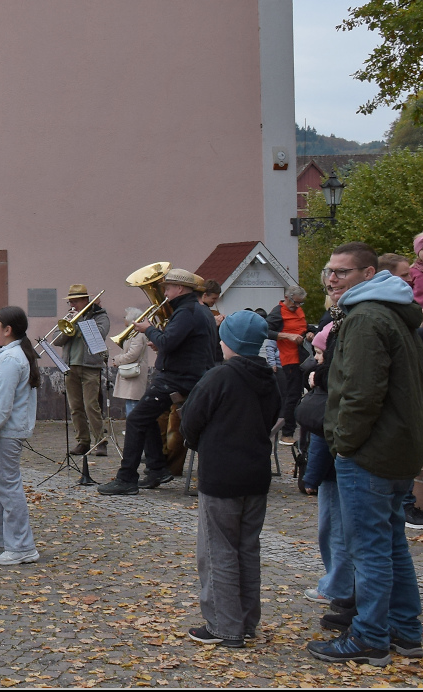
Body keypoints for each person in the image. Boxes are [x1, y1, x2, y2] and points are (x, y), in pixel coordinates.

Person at [308, 242, 423, 667]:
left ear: (367, 274)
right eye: (329, 271)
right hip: (399, 447)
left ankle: (370, 638)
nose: (331, 279)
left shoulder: (365, 318)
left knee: (371, 548)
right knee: (392, 541)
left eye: (342, 272)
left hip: (372, 451)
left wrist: (343, 444)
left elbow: (360, 395)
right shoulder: (393, 311)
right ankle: (404, 631)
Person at [180, 310, 282, 649]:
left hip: (222, 475)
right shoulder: (269, 377)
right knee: (246, 549)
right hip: (255, 473)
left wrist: (202, 443)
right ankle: (246, 621)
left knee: (217, 551)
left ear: (232, 342)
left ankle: (225, 626)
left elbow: (191, 421)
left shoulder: (219, 377)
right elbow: (270, 419)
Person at [99, 267, 219, 496]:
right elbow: (178, 342)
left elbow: (169, 342)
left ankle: (127, 478)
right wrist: (160, 340)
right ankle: (156, 469)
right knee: (146, 418)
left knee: (136, 419)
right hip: (187, 374)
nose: (164, 292)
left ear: (180, 288)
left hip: (177, 378)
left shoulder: (186, 312)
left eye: (168, 288)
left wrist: (150, 331)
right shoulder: (198, 310)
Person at [299, 290, 355, 613]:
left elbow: (322, 433)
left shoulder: (325, 381)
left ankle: (337, 585)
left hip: (335, 463)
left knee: (334, 526)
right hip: (339, 458)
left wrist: (310, 475)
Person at [0, 305, 40, 565]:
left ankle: (22, 546)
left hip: (5, 433)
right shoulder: (8, 355)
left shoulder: (11, 360)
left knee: (8, 489)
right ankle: (4, 541)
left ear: (7, 329)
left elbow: (1, 403)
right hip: (3, 432)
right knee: (0, 489)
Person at [56, 285, 110, 457]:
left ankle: (100, 441)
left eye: (76, 301)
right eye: (71, 301)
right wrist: (69, 326)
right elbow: (57, 340)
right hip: (70, 365)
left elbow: (100, 334)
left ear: (86, 300)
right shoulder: (68, 317)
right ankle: (83, 441)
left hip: (90, 367)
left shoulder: (100, 316)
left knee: (91, 405)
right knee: (75, 406)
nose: (73, 305)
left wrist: (81, 321)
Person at [266, 286, 311, 445]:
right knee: (292, 396)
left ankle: (307, 430)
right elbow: (265, 330)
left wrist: (310, 333)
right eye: (295, 303)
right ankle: (287, 433)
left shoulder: (297, 310)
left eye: (300, 304)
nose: (297, 306)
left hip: (303, 358)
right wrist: (286, 336)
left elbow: (302, 329)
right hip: (289, 359)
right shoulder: (278, 312)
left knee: (305, 393)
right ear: (287, 297)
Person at [110, 306, 155, 418]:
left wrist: (118, 360)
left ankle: (133, 429)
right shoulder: (133, 333)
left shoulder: (138, 335)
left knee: (133, 403)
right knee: (130, 402)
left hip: (135, 372)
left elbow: (133, 354)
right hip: (132, 371)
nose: (124, 318)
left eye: (125, 317)